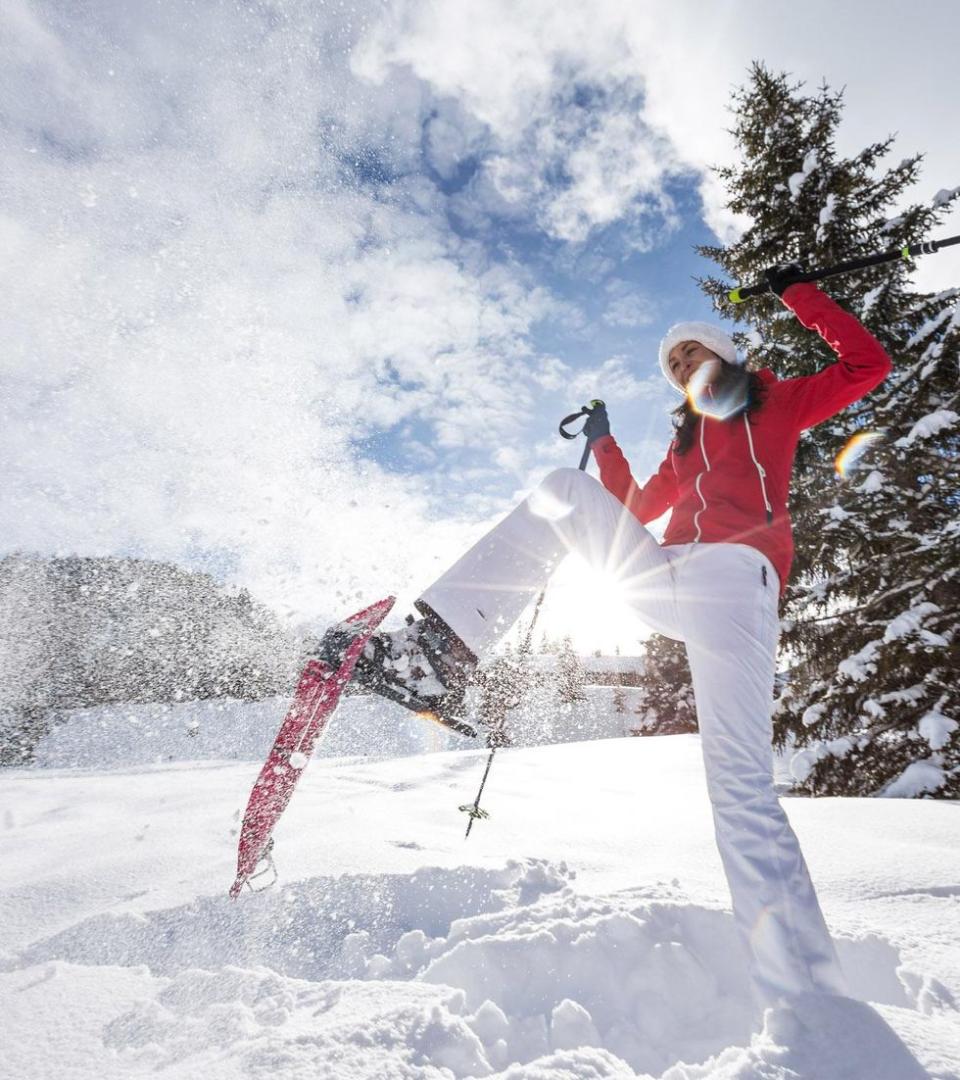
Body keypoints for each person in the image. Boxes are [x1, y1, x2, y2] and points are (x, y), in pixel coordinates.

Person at [351, 263, 893, 1005]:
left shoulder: (776, 404)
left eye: (691, 352)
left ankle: (808, 993)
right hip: (667, 578)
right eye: (672, 365)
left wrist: (797, 294)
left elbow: (869, 364)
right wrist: (605, 445)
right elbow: (633, 508)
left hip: (737, 585)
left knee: (739, 789)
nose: (682, 367)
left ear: (725, 355)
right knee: (563, 491)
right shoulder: (686, 447)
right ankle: (437, 655)